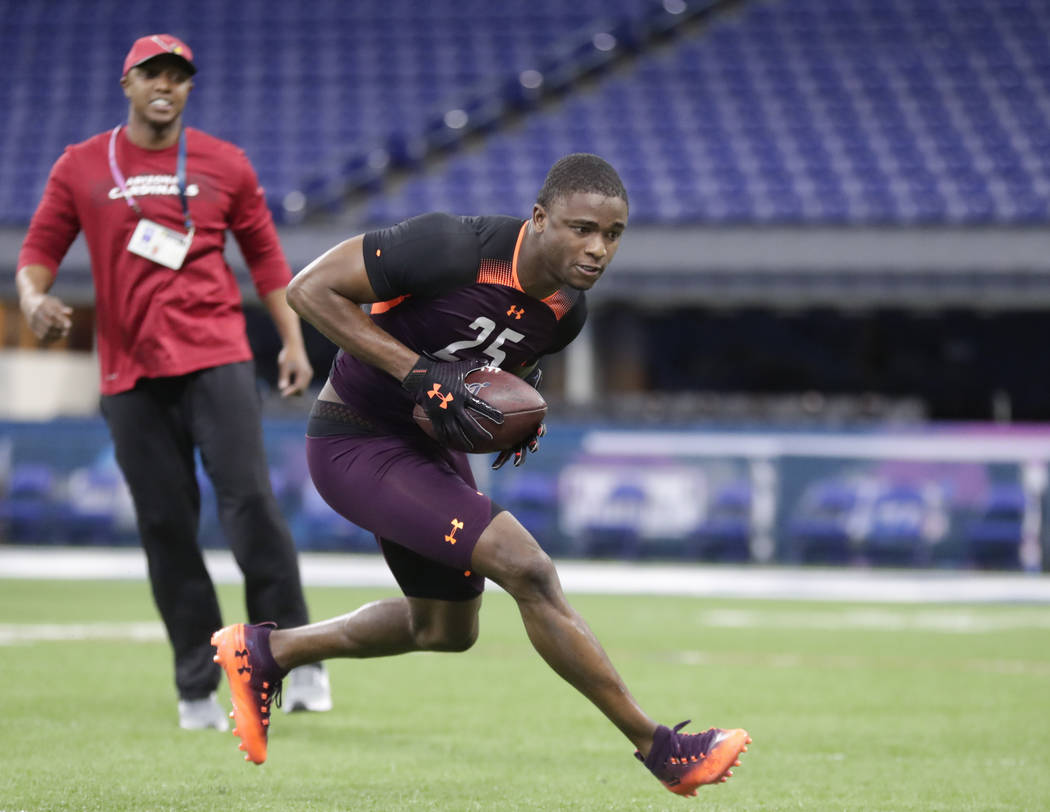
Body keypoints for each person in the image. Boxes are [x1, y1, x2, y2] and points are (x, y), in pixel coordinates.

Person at [210, 153, 750, 795]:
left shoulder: (565, 313)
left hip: (428, 452)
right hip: (356, 439)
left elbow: (496, 373)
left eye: (612, 235)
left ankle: (269, 653)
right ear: (540, 218)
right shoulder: (448, 247)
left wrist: (516, 414)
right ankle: (660, 747)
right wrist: (417, 371)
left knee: (444, 629)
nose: (598, 248)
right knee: (529, 569)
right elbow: (308, 291)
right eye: (582, 228)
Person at [16, 33, 331, 729]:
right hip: (128, 375)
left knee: (249, 506)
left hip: (216, 358)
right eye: (152, 73)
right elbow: (38, 250)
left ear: (189, 88)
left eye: (179, 76)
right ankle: (197, 687)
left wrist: (292, 343)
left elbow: (268, 262)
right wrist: (34, 298)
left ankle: (297, 657)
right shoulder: (80, 166)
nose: (166, 84)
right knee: (166, 527)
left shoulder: (225, 163)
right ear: (126, 83)